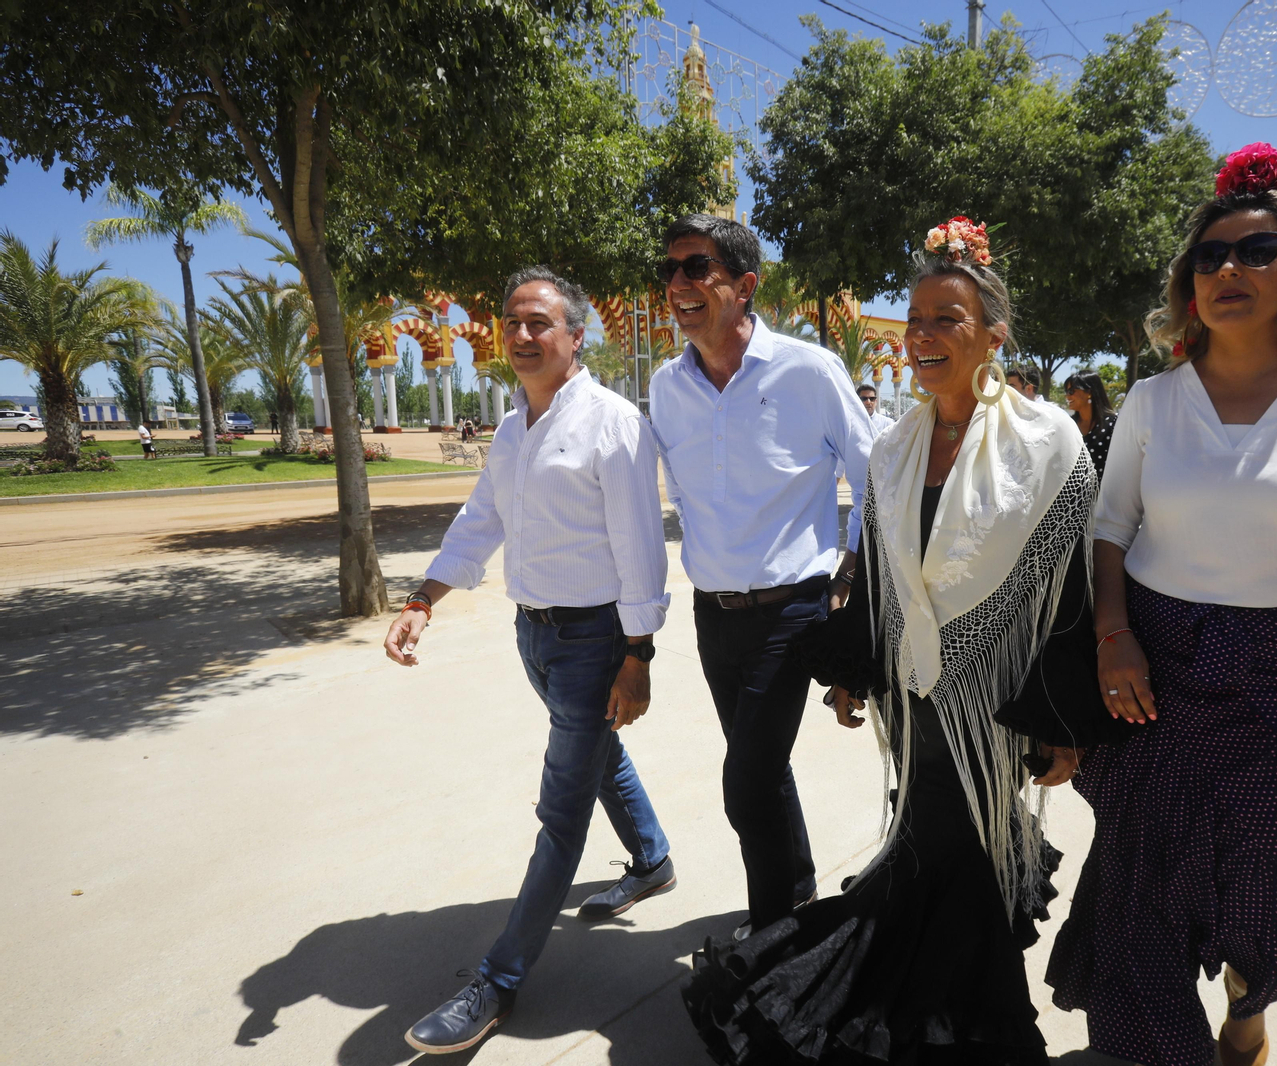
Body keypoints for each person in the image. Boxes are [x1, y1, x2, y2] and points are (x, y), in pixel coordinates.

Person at [683, 215, 1125, 1064]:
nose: (921, 337)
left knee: (961, 858)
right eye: (914, 320)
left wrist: (1059, 716)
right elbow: (881, 572)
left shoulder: (1046, 442)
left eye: (945, 321)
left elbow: (1068, 583)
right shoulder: (893, 446)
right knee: (930, 854)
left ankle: (945, 1028)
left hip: (995, 705)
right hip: (919, 697)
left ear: (993, 336)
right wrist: (857, 667)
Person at [1046, 143, 1277, 1066]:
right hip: (1154, 669)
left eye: (1256, 252)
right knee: (1142, 897)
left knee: (1267, 886)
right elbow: (1111, 528)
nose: (1227, 271)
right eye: (1208, 258)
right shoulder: (1152, 400)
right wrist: (1114, 635)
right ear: (1187, 284)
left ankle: (1246, 1012)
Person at [382, 265, 675, 1056]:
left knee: (560, 813)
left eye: (539, 322)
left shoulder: (613, 423)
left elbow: (640, 552)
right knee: (596, 752)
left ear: (576, 336)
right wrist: (422, 599)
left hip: (592, 642)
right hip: (534, 636)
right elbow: (481, 521)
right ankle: (652, 861)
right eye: (512, 322)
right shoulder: (511, 430)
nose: (520, 335)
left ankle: (498, 981)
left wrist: (637, 655)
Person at [648, 213, 874, 941]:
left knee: (745, 782)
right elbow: (674, 494)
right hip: (713, 616)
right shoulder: (667, 386)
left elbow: (875, 476)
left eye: (696, 268)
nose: (678, 284)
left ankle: (773, 932)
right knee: (762, 765)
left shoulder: (809, 371)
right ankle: (797, 881)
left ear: (744, 286)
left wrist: (856, 572)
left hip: (793, 612)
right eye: (671, 270)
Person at [1061, 370, 1117, 479]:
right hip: (1073, 493)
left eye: (1071, 391)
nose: (1067, 397)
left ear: (1089, 392)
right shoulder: (1069, 424)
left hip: (1105, 493)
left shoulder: (1114, 423)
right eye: (1066, 392)